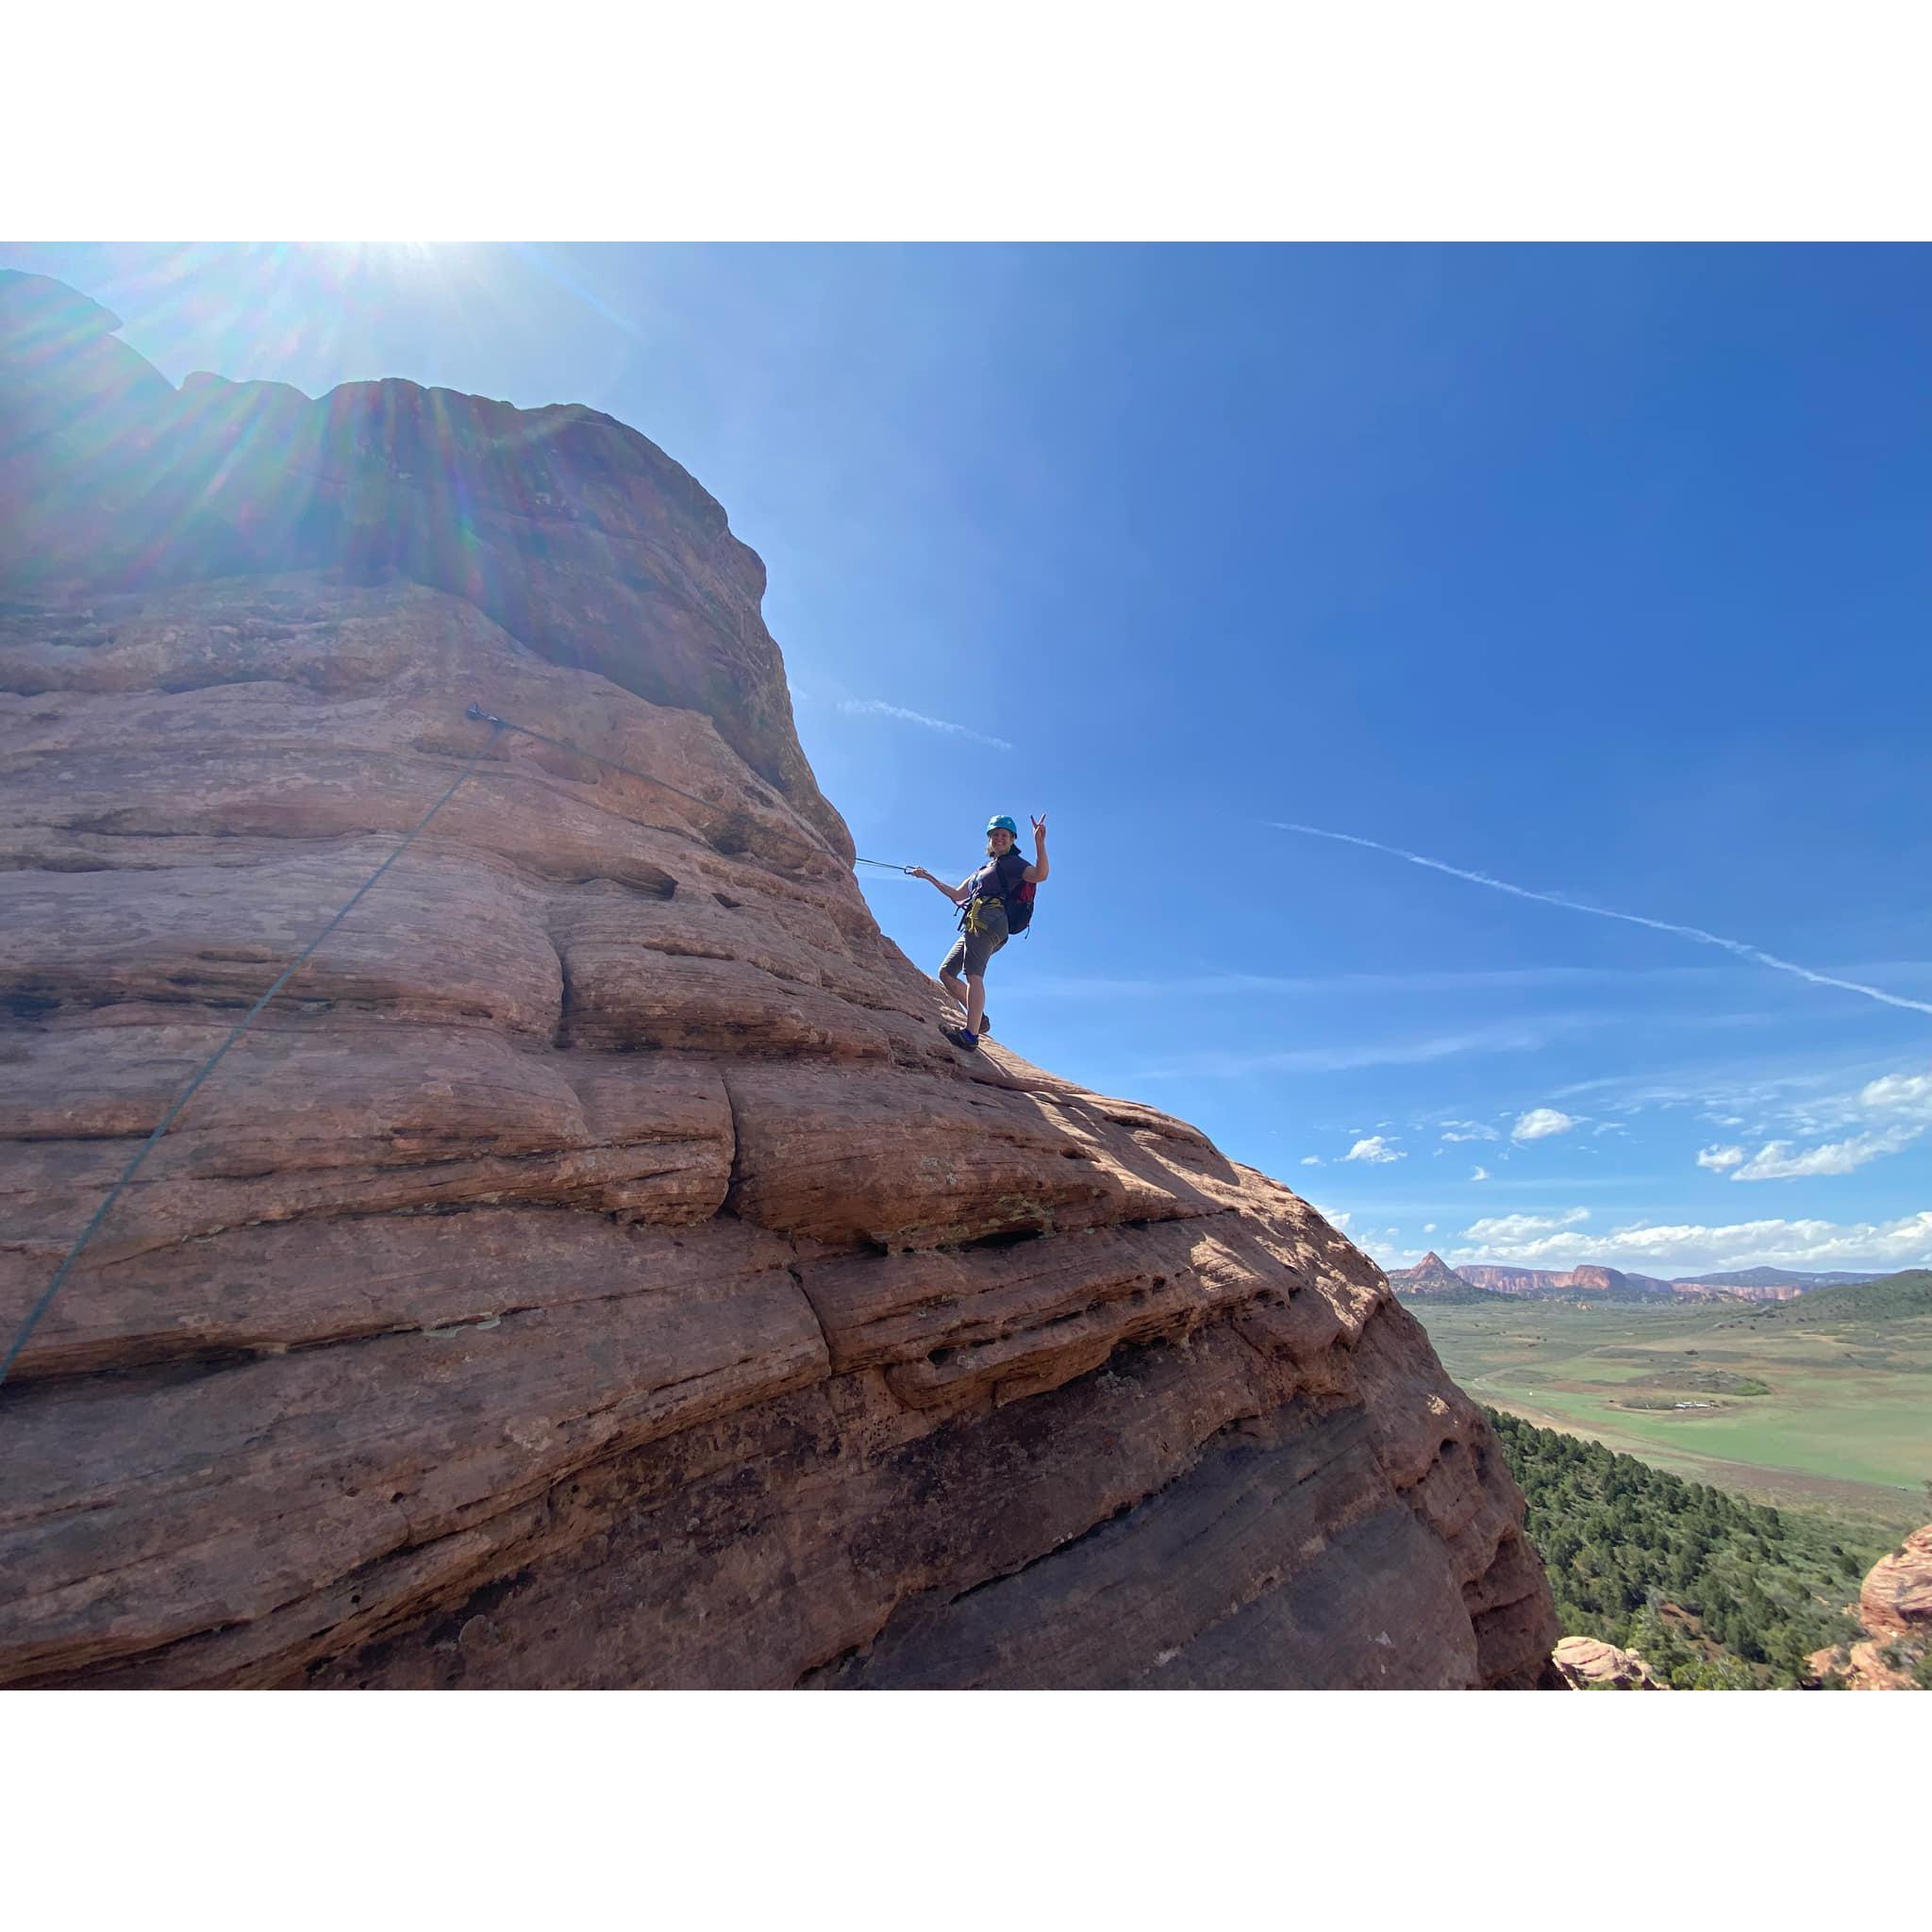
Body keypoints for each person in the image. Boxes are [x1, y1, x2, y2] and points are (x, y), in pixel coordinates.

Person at [910, 813, 1048, 1051]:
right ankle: (978, 1017)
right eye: (995, 835)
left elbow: (1040, 875)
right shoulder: (983, 869)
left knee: (974, 975)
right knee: (946, 972)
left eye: (1004, 835)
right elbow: (956, 894)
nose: (999, 838)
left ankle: (971, 1035)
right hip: (974, 921)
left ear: (1012, 839)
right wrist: (927, 877)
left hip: (989, 919)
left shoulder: (1014, 863)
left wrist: (1039, 843)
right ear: (989, 839)